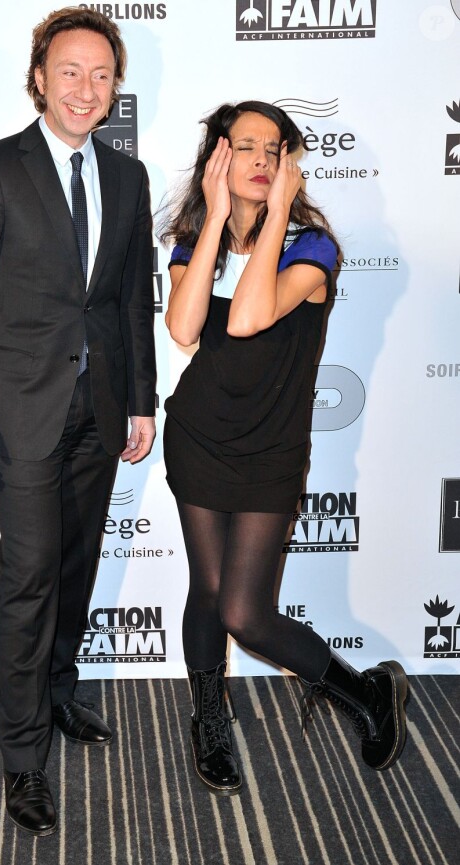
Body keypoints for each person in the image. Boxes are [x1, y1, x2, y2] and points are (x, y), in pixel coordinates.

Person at [0, 7, 156, 836]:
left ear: (113, 90)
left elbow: (133, 301)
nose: (86, 89)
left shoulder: (128, 180)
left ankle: (59, 692)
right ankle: (22, 757)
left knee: (74, 564)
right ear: (39, 78)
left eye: (101, 75)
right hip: (19, 412)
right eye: (70, 71)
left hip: (101, 411)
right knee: (28, 578)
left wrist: (141, 398)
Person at [161, 101, 407, 796]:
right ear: (219, 159)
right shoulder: (193, 240)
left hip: (270, 452)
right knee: (207, 594)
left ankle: (366, 691)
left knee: (246, 612)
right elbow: (183, 329)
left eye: (275, 148)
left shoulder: (312, 248)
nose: (263, 159)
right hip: (199, 437)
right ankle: (209, 719)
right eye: (246, 146)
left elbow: (244, 318)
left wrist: (272, 221)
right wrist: (213, 219)